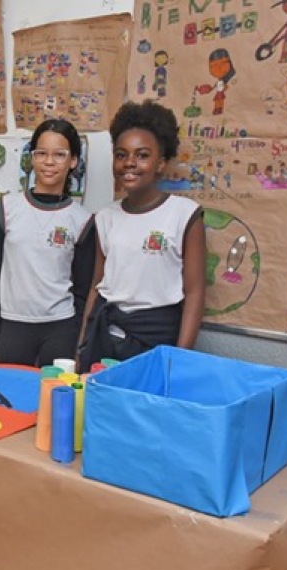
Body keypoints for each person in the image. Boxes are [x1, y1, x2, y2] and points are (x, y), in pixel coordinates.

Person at [77, 100, 205, 373]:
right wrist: (81, 348)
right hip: (105, 339)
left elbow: (194, 293)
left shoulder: (184, 214)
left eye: (142, 155)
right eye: (121, 155)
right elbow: (96, 286)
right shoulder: (105, 217)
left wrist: (179, 359)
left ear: (161, 163)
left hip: (156, 342)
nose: (129, 163)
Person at [0, 119, 94, 367]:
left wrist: (77, 345)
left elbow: (82, 291)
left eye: (59, 154)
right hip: (13, 325)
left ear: (73, 161)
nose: (49, 162)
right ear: (32, 158)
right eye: (41, 153)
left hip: (60, 329)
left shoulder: (82, 220)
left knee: (53, 391)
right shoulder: (6, 208)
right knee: (9, 389)